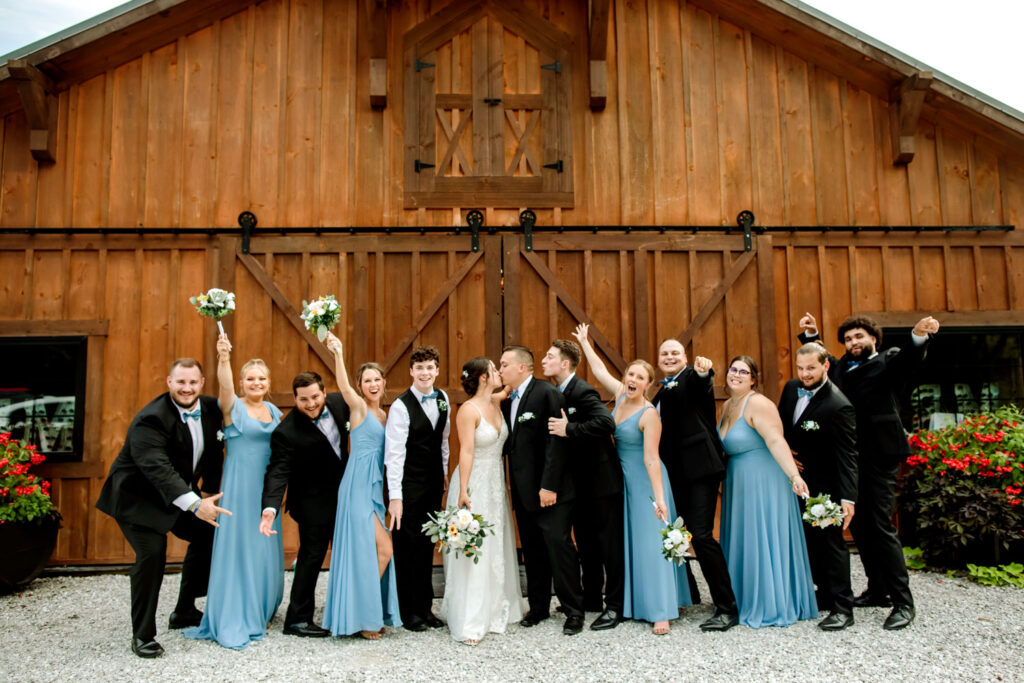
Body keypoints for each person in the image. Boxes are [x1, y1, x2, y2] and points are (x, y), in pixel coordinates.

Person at [798, 312, 939, 630]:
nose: (853, 343)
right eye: (848, 339)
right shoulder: (842, 368)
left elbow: (910, 361)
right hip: (849, 457)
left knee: (879, 526)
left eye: (859, 336)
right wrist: (811, 335)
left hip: (880, 456)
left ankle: (904, 603)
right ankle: (878, 590)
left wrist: (918, 335)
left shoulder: (889, 360)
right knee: (858, 527)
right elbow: (824, 359)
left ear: (874, 338)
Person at [95, 358, 228, 658]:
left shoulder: (209, 408)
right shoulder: (150, 419)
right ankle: (142, 635)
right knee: (152, 555)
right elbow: (157, 469)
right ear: (169, 382)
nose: (186, 388)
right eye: (180, 382)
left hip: (178, 495)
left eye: (192, 382)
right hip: (138, 499)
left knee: (209, 532)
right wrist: (195, 504)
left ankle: (183, 610)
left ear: (202, 383)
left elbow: (214, 454)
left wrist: (208, 494)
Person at [573, 325, 692, 636]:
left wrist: (660, 499)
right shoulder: (620, 397)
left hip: (645, 483)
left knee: (651, 543)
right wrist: (585, 343)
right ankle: (634, 602)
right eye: (630, 375)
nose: (633, 381)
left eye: (640, 378)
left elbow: (652, 458)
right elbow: (599, 371)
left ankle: (661, 611)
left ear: (649, 384)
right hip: (621, 481)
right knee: (630, 545)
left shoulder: (649, 414)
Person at [184, 337, 284, 649]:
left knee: (264, 545)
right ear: (242, 382)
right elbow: (224, 387)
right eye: (250, 378)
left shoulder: (274, 411)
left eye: (261, 378)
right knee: (242, 545)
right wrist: (223, 357)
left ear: (268, 382)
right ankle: (239, 609)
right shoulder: (233, 407)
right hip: (240, 487)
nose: (256, 382)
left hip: (266, 490)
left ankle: (263, 606)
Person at [717, 355, 817, 628]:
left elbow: (775, 440)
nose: (736, 374)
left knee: (761, 535)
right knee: (745, 536)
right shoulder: (727, 405)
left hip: (763, 480)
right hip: (738, 480)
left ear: (753, 379)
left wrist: (794, 476)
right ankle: (742, 598)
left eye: (743, 371)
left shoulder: (759, 404)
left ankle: (770, 602)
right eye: (732, 369)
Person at [652, 337, 738, 632]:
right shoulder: (661, 391)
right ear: (659, 359)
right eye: (665, 353)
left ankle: (727, 608)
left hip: (699, 469)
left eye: (675, 352)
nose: (670, 357)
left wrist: (705, 373)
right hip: (675, 473)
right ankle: (689, 593)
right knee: (677, 533)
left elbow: (702, 387)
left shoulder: (690, 377)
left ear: (685, 357)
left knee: (701, 536)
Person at [499, 344, 585, 635]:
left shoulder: (546, 393)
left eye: (504, 365)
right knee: (533, 551)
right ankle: (538, 608)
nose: (500, 370)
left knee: (559, 548)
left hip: (552, 492)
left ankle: (574, 610)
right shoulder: (509, 400)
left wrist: (549, 486)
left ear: (522, 367)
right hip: (524, 492)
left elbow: (556, 443)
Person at [320, 333, 400, 639]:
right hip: (356, 488)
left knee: (373, 552)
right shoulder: (359, 409)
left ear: (383, 382)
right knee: (384, 550)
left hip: (374, 489)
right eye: (367, 380)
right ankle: (364, 616)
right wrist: (338, 353)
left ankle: (361, 612)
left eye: (377, 379)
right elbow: (341, 386)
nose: (373, 384)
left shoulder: (385, 413)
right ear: (360, 386)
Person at [541, 339, 625, 631]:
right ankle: (591, 600)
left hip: (603, 483)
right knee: (587, 544)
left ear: (565, 364)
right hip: (580, 485)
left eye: (549, 357)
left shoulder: (582, 390)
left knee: (609, 546)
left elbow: (606, 423)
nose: (543, 360)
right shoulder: (557, 392)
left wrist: (570, 429)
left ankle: (615, 606)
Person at [260, 371, 350, 637]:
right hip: (312, 503)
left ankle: (350, 611)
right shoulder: (285, 432)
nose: (310, 404)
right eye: (303, 400)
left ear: (324, 393)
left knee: (350, 553)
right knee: (312, 557)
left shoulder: (338, 403)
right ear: (295, 399)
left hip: (345, 497)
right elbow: (277, 473)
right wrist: (269, 509)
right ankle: (297, 620)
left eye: (314, 397)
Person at [440, 357, 524, 644]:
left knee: (495, 543)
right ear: (484, 378)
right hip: (473, 483)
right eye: (493, 369)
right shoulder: (468, 410)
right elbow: (466, 452)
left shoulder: (495, 401)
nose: (499, 372)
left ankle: (499, 606)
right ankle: (471, 620)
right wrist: (463, 490)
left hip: (495, 484)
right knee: (475, 545)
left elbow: (509, 386)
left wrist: (508, 384)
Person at [778, 342, 858, 631]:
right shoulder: (790, 389)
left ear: (825, 366)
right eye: (800, 368)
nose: (804, 374)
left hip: (827, 487)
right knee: (809, 543)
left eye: (810, 368)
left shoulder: (839, 405)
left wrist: (848, 498)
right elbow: (781, 429)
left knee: (832, 546)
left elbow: (848, 455)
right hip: (796, 484)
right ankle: (822, 594)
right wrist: (787, 454)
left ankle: (843, 608)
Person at [384, 345, 451, 631]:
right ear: (411, 371)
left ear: (437, 370)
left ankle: (426, 609)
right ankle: (408, 612)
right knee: (407, 548)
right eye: (420, 368)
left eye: (430, 367)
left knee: (427, 546)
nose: (425, 373)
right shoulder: (400, 406)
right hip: (409, 486)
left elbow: (444, 440)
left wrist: (445, 474)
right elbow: (394, 455)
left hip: (433, 483)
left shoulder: (444, 398)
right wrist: (396, 497)